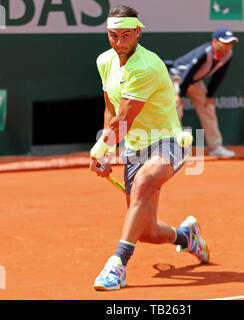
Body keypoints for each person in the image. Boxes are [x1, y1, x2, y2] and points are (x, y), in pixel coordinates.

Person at [89, 5, 209, 291]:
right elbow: (111, 108)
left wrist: (98, 151)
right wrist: (105, 151)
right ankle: (187, 237)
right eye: (113, 35)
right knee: (146, 231)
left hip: (168, 140)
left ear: (138, 32)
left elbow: (124, 119)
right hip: (134, 146)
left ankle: (117, 265)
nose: (119, 42)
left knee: (143, 182)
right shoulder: (105, 61)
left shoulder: (145, 66)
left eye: (126, 35)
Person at [164, 27, 239, 157]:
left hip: (194, 82)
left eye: (231, 43)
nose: (228, 46)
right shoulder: (205, 52)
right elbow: (189, 72)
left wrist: (209, 95)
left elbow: (220, 75)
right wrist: (180, 95)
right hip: (178, 78)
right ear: (215, 42)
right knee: (176, 109)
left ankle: (215, 147)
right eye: (225, 43)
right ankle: (176, 148)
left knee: (208, 107)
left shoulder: (228, 55)